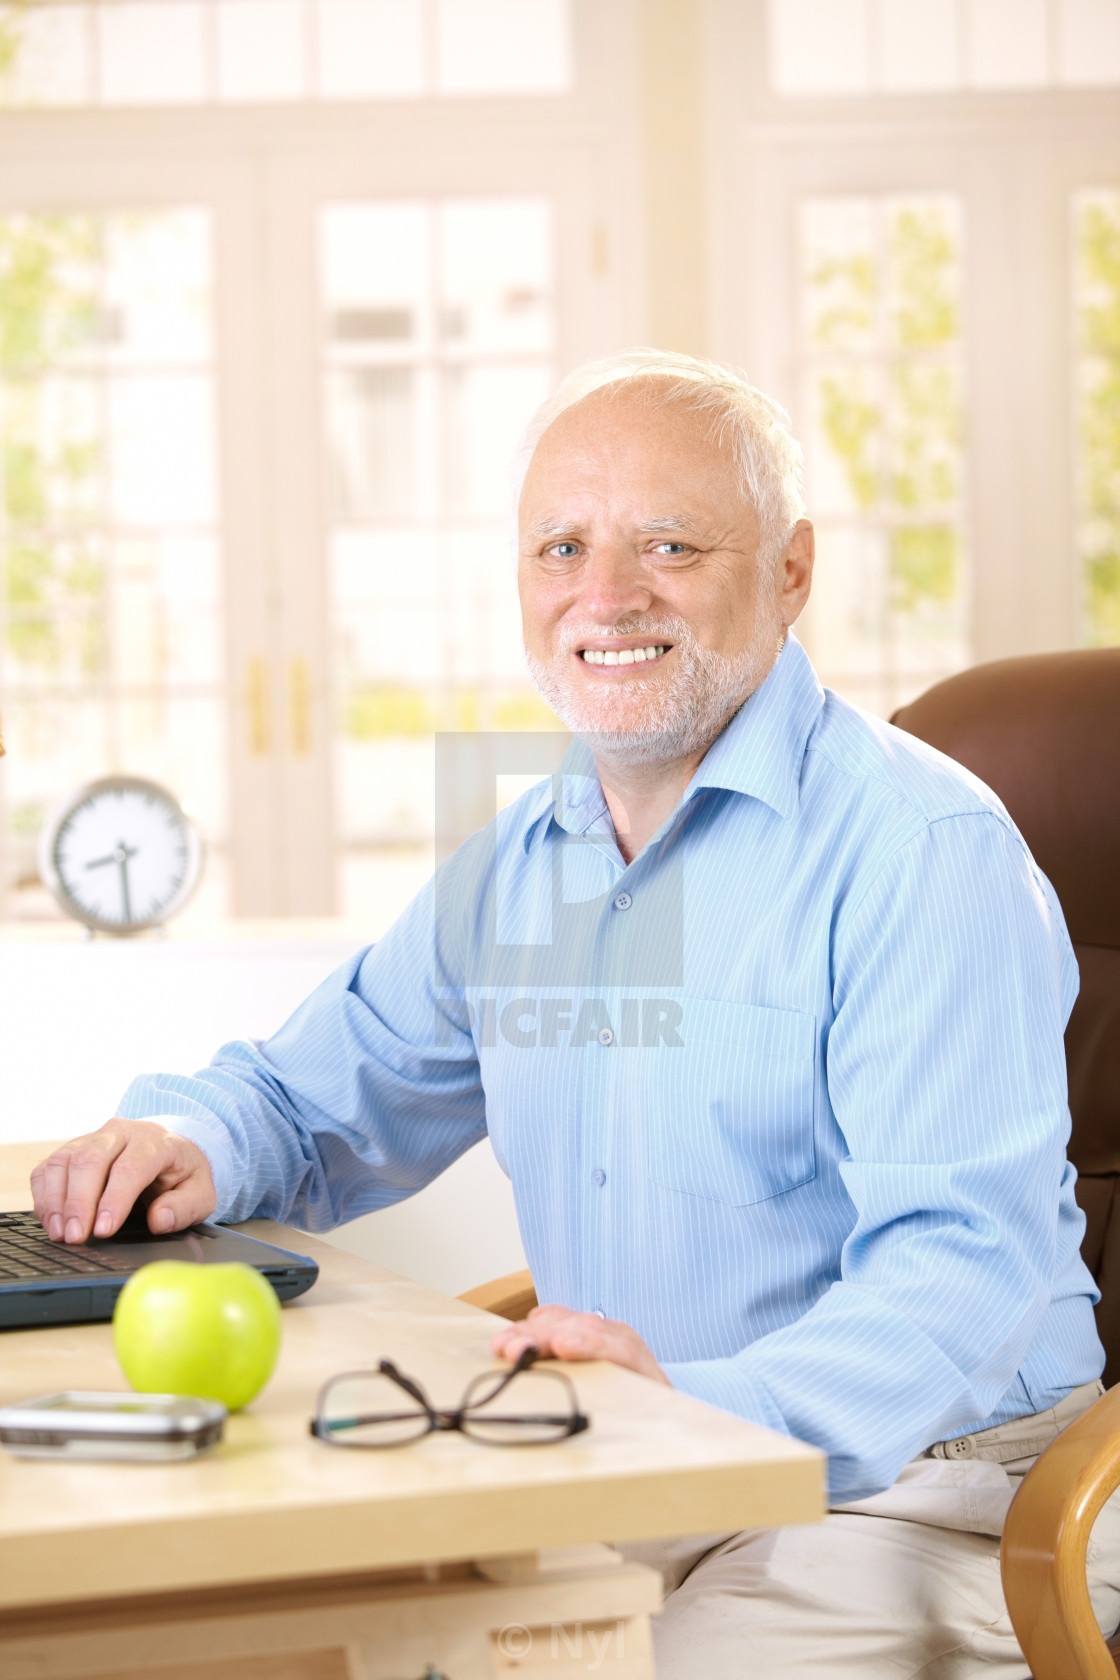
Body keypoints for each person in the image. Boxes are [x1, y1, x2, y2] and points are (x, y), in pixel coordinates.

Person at [31, 350, 1117, 1676]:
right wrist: (189, 1136)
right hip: (624, 1465)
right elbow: (328, 1091)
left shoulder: (919, 850)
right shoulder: (533, 854)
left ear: (790, 571)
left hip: (933, 1488)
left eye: (670, 543)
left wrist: (690, 1416)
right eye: (561, 548)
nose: (606, 597)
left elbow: (963, 1271)